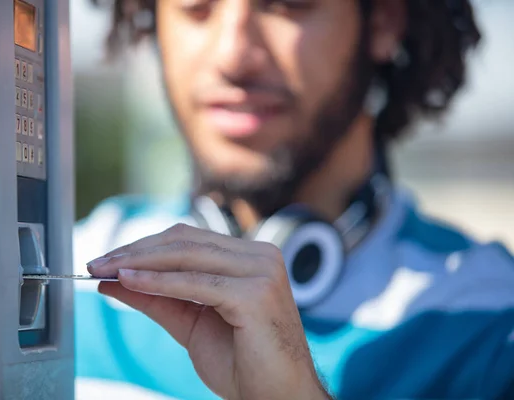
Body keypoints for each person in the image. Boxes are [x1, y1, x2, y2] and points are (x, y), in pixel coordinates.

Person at [74, 0, 514, 398]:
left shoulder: (493, 324)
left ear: (383, 20)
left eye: (286, 5)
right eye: (196, 7)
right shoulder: (73, 286)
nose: (233, 56)